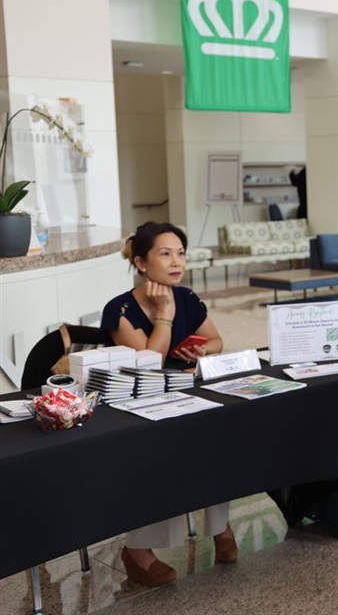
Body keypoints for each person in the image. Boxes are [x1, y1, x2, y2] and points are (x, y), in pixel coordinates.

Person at [100, 222, 236, 587]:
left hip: (182, 394)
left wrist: (201, 349)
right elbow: (150, 363)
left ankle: (221, 526)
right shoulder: (120, 309)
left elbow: (218, 340)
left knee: (219, 432)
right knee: (162, 449)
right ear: (141, 262)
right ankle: (138, 551)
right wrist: (163, 315)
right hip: (137, 407)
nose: (176, 262)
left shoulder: (188, 297)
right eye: (165, 253)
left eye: (181, 253)